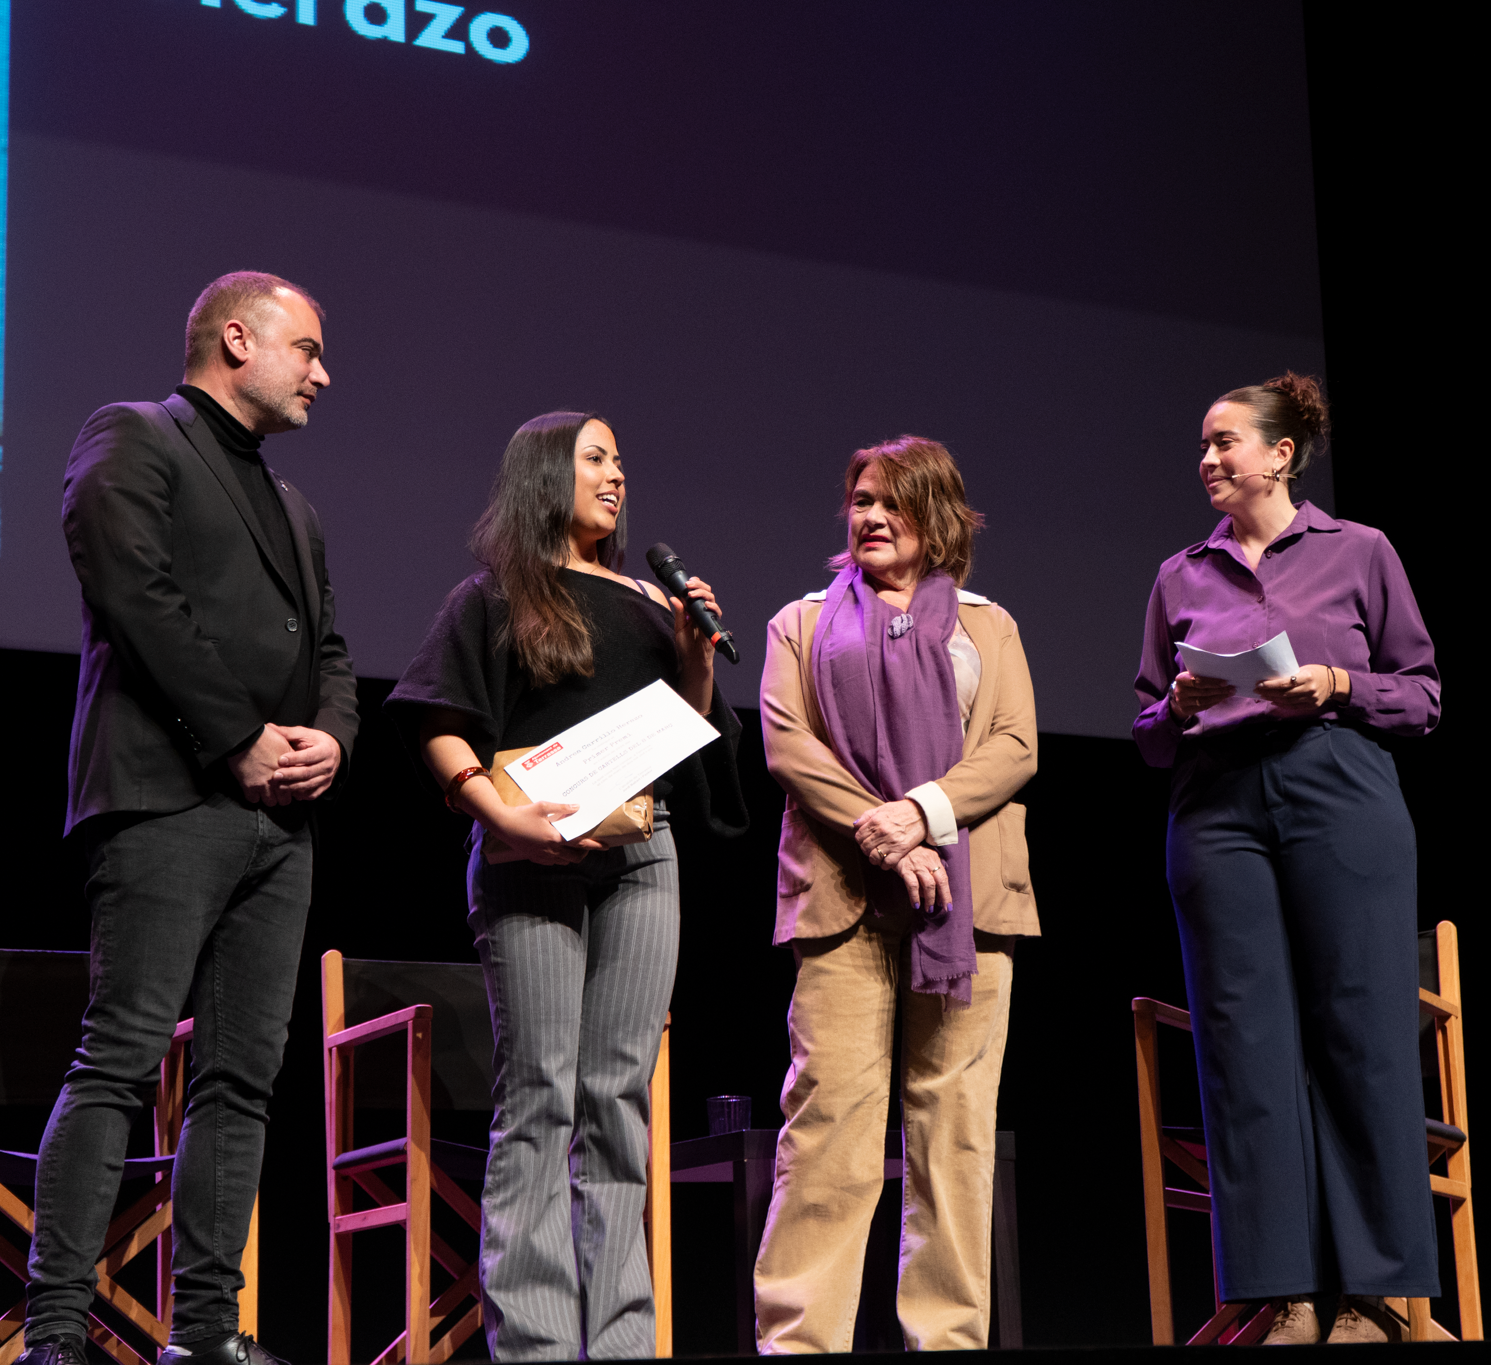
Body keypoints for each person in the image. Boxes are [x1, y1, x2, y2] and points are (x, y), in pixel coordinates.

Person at [22, 272, 359, 1365]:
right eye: (305, 349)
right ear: (235, 339)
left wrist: (332, 739)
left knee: (240, 1082)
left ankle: (205, 1331)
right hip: (171, 796)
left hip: (278, 825)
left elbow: (334, 655)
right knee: (120, 1059)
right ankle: (58, 1329)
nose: (322, 372)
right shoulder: (134, 436)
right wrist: (238, 736)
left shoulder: (295, 507)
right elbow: (134, 590)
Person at [386, 411, 748, 1360]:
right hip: (528, 852)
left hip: (642, 849)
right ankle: (539, 1344)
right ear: (547, 475)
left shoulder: (644, 601)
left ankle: (624, 1339)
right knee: (542, 1091)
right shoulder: (497, 595)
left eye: (622, 461)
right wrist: (494, 813)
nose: (617, 476)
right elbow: (436, 718)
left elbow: (684, 733)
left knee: (618, 1093)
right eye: (596, 459)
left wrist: (695, 652)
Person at [1131, 373, 1440, 1345]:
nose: (1208, 459)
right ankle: (1281, 1289)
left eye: (1225, 441)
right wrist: (1173, 707)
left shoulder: (1359, 552)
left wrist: (1339, 681)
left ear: (1280, 453)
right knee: (1243, 1045)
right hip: (1216, 806)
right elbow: (1143, 728)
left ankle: (1369, 1294)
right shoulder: (1181, 573)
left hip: (1335, 786)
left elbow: (1421, 694)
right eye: (1202, 446)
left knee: (1359, 1034)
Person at [752, 436, 1038, 1353]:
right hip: (842, 900)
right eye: (861, 501)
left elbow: (1014, 746)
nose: (871, 517)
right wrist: (882, 831)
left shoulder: (989, 625)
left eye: (895, 504)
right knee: (828, 1123)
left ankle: (947, 1341)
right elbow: (791, 746)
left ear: (940, 519)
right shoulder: (800, 622)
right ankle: (799, 1343)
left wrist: (921, 815)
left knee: (954, 1136)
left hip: (968, 903)